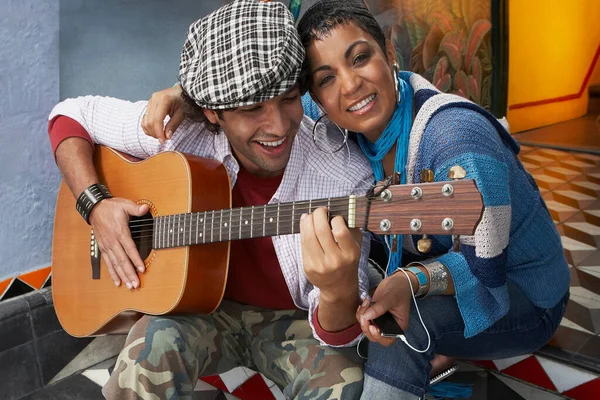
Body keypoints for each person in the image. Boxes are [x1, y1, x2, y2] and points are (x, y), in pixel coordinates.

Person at [145, 1, 571, 399]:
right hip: (436, 267)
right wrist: (187, 97)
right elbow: (254, 98)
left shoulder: (457, 139)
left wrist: (409, 282)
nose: (349, 86)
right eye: (326, 78)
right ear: (313, 95)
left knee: (398, 329)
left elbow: (486, 268)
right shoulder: (330, 121)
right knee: (362, 295)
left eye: (360, 57)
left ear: (389, 53)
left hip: (522, 290)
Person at [47, 1, 376, 399]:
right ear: (212, 113)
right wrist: (95, 204)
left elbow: (339, 332)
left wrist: (338, 290)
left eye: (289, 99)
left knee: (345, 386)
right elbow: (69, 116)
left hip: (296, 322)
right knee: (145, 357)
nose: (277, 126)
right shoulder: (178, 133)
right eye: (252, 109)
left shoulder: (343, 173)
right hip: (201, 313)